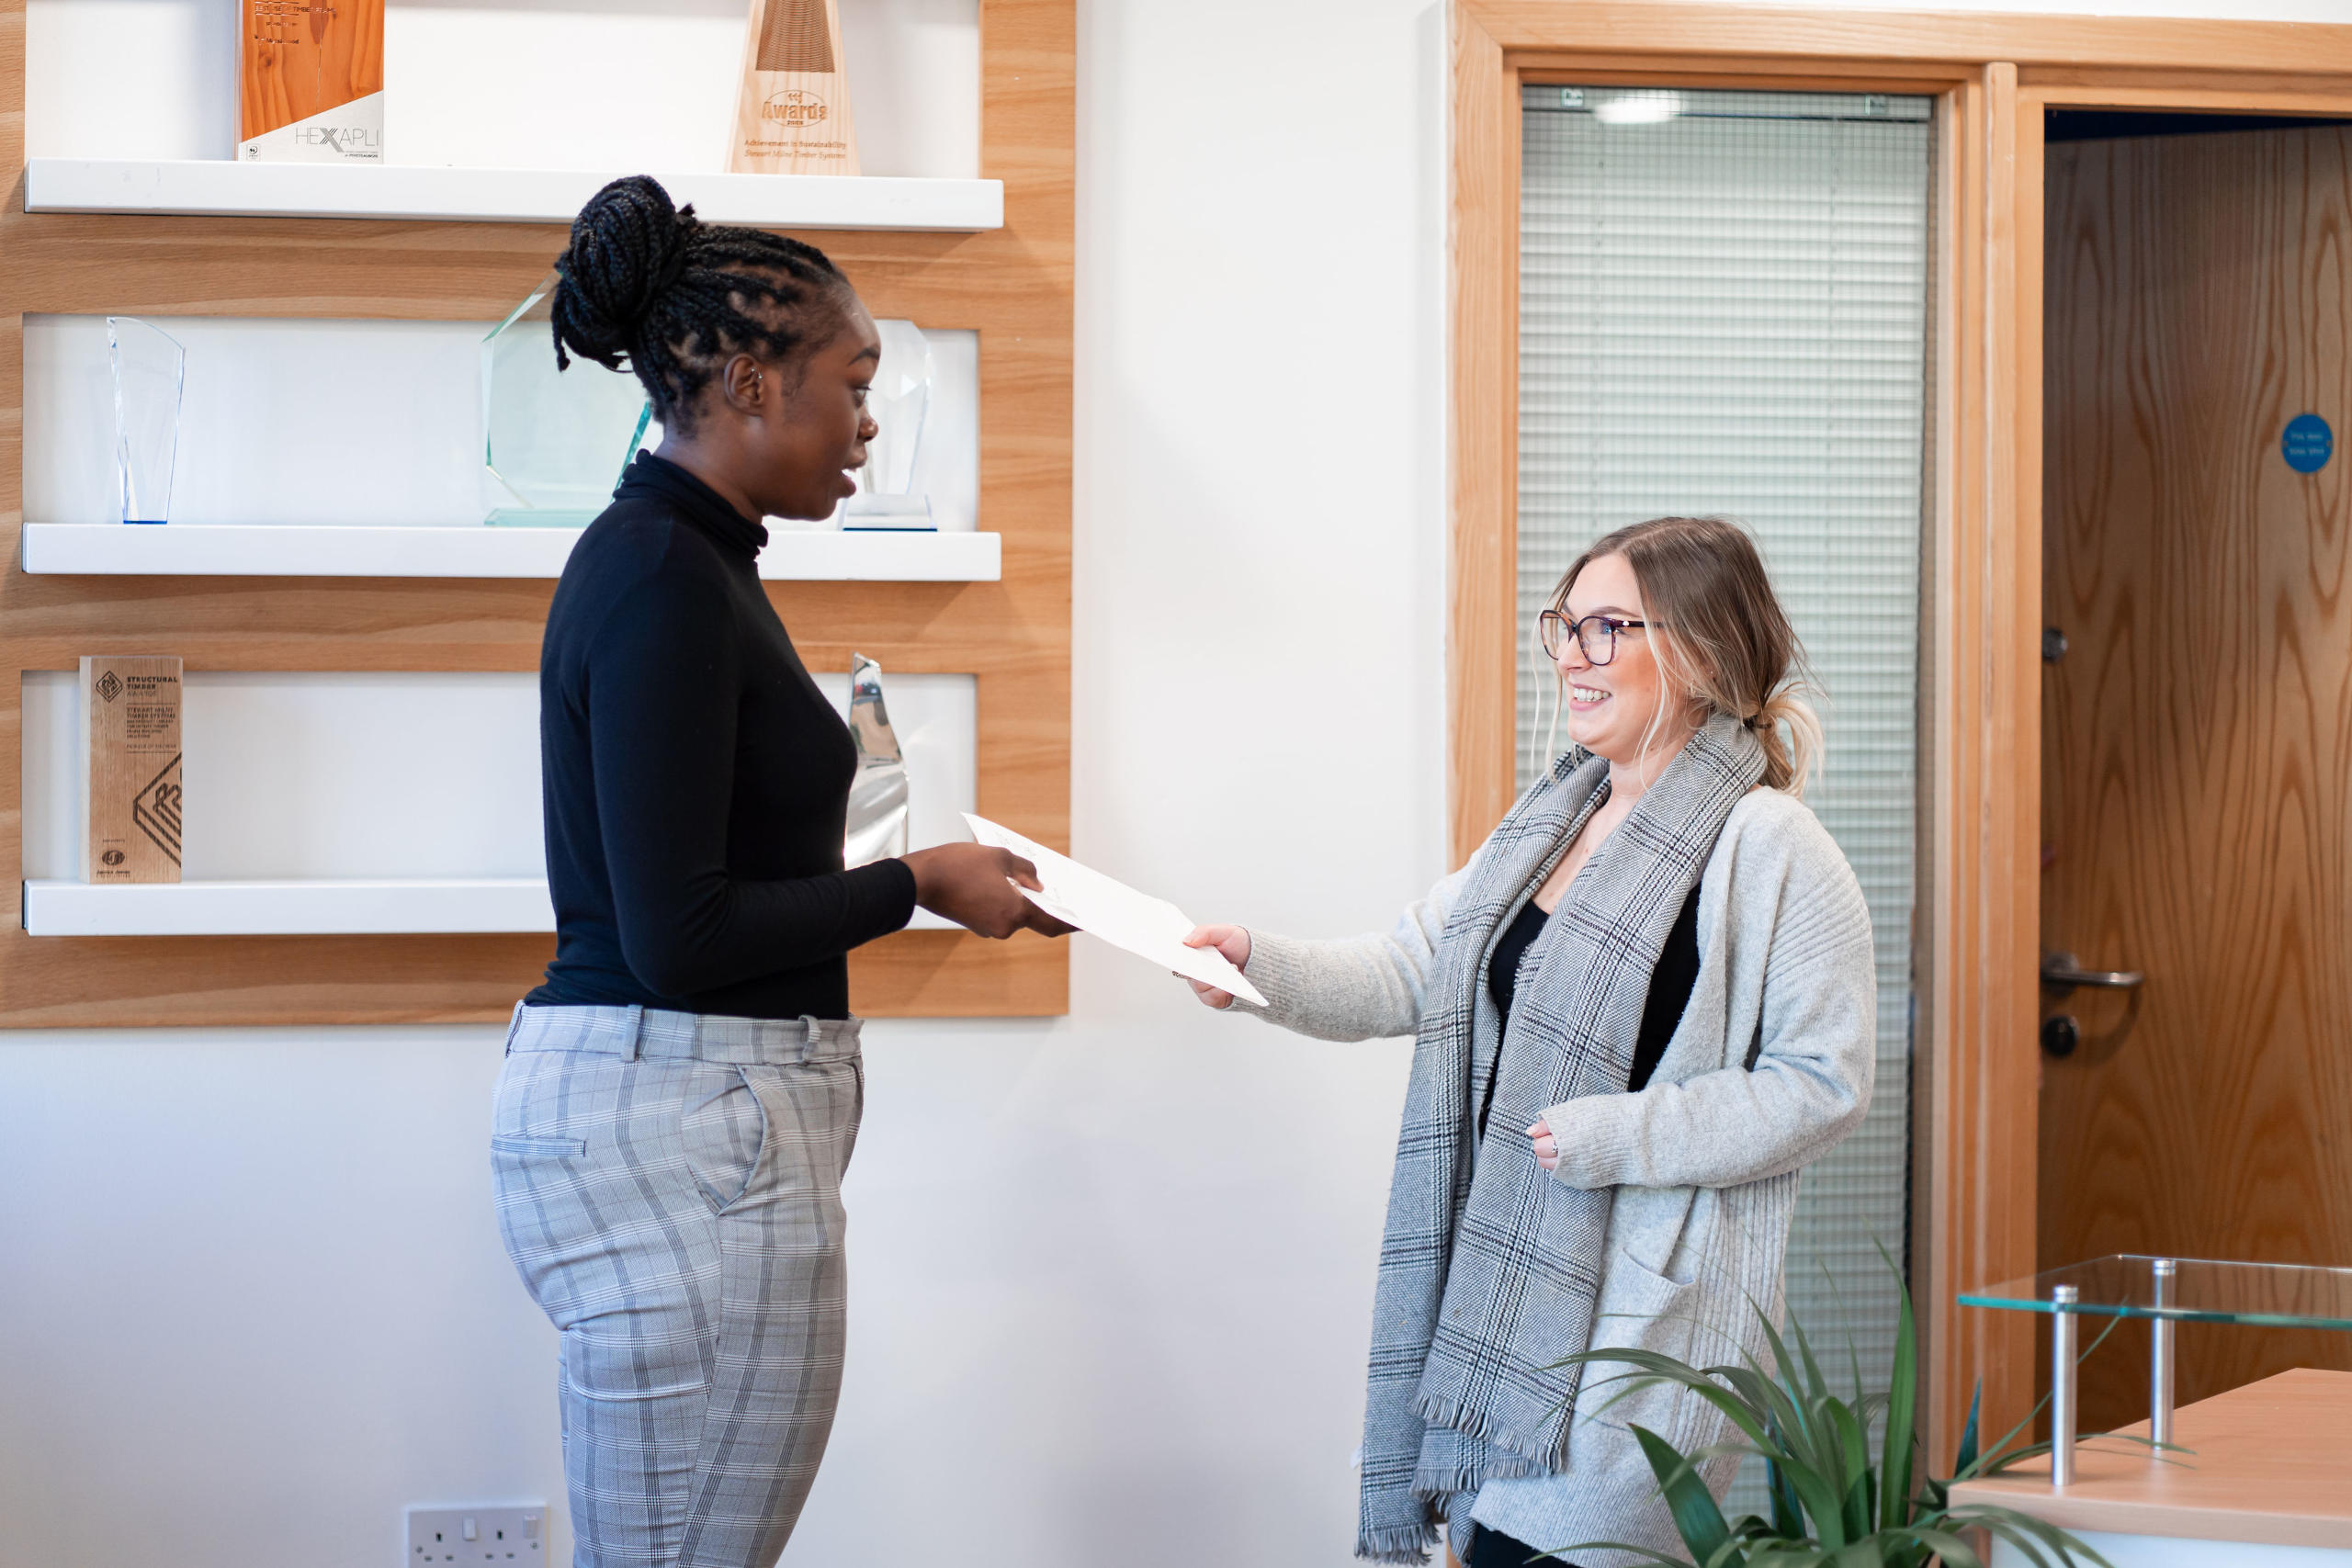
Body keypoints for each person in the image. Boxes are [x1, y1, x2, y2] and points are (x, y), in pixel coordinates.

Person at [489, 175, 1069, 1568]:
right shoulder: (663, 579)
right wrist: (918, 880)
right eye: (853, 382)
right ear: (749, 380)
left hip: (678, 1118)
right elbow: (683, 933)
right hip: (685, 1127)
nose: (870, 424)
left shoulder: (688, 562)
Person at [1183, 516, 1876, 1567]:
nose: (1569, 655)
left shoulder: (1770, 846)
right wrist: (1253, 966)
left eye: (1606, 628)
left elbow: (1821, 1085)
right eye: (1564, 624)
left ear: (1697, 652)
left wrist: (1616, 1136)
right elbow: (1412, 967)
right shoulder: (1551, 819)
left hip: (1646, 1321)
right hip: (1504, 1299)